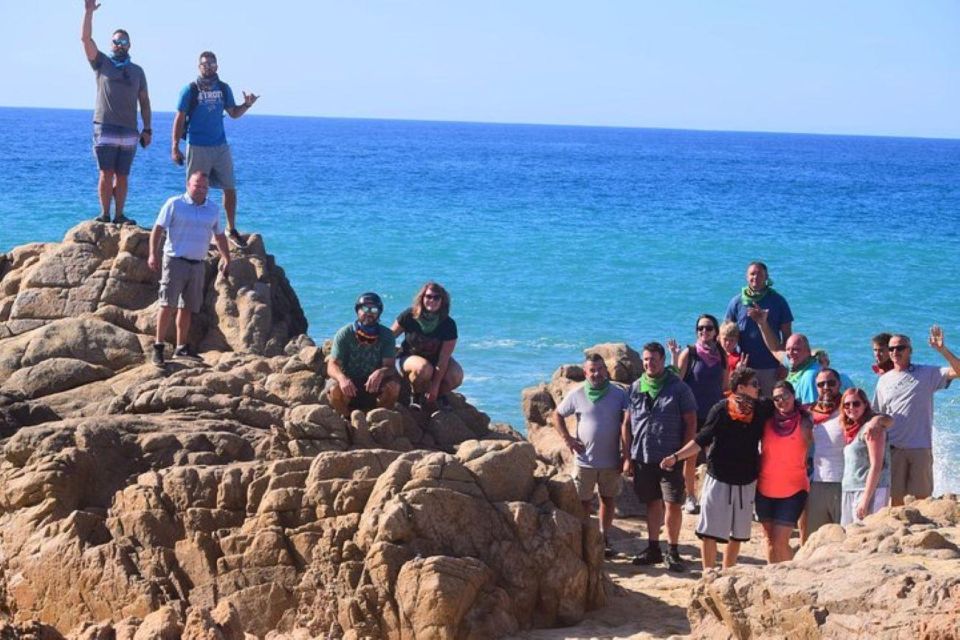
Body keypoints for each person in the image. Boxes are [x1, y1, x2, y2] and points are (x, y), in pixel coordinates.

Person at [661, 367, 771, 570]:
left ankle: (728, 574)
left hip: (746, 480)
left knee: (737, 535)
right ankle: (708, 574)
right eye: (754, 384)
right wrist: (676, 457)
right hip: (718, 478)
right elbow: (701, 440)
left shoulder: (762, 410)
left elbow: (786, 408)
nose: (759, 388)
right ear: (741, 388)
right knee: (709, 532)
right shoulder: (721, 410)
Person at [171, 51, 259, 249]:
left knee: (229, 187)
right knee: (196, 188)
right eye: (204, 64)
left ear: (217, 66)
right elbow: (179, 117)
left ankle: (230, 228)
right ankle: (192, 227)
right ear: (199, 67)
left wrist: (246, 104)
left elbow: (234, 113)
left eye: (212, 64)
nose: (208, 67)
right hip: (197, 145)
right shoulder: (190, 90)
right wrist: (175, 146)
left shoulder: (223, 88)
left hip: (220, 145)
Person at [622, 342, 697, 572]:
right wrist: (627, 456)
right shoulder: (635, 387)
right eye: (645, 359)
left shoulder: (678, 388)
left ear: (663, 360)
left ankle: (672, 551)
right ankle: (653, 547)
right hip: (643, 456)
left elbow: (691, 421)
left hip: (670, 457)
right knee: (651, 503)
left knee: (672, 504)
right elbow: (626, 423)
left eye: (653, 359)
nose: (649, 363)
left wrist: (681, 454)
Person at [148, 172, 230, 366]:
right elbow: (158, 229)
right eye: (197, 185)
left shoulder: (212, 209)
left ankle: (181, 347)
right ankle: (158, 347)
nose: (200, 190)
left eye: (204, 187)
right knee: (167, 304)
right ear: (188, 185)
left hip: (198, 263)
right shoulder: (174, 204)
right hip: (175, 260)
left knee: (188, 308)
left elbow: (219, 235)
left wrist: (227, 257)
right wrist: (152, 254)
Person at [81, 0, 151, 225]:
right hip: (105, 126)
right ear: (111, 44)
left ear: (129, 45)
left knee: (122, 176)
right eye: (116, 41)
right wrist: (89, 12)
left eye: (124, 41)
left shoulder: (138, 71)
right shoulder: (101, 63)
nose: (120, 44)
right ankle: (104, 214)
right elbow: (85, 39)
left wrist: (147, 129)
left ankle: (119, 215)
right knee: (105, 173)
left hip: (130, 130)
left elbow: (145, 101)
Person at [553, 354, 630, 557]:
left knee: (608, 499)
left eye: (599, 369)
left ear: (606, 370)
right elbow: (557, 415)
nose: (596, 374)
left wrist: (627, 454)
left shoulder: (618, 394)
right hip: (584, 460)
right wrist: (568, 439)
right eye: (591, 370)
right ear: (585, 373)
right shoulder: (577, 394)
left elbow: (627, 424)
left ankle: (604, 539)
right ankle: (586, 539)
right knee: (583, 502)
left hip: (611, 459)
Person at [873, 327, 960, 506]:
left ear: (910, 351)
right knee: (895, 503)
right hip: (893, 449)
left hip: (920, 448)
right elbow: (877, 416)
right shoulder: (883, 380)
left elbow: (958, 371)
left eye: (900, 348)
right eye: (891, 349)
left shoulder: (927, 373)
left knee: (923, 502)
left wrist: (942, 349)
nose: (895, 352)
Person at [668, 314, 729, 515]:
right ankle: (690, 497)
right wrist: (674, 357)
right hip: (692, 414)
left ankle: (710, 497)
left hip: (714, 414)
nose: (704, 332)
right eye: (700, 328)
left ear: (715, 332)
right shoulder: (690, 353)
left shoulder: (721, 355)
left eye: (709, 328)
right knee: (691, 456)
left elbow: (725, 386)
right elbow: (677, 381)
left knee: (716, 456)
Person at [756, 381, 812, 563]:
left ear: (793, 395)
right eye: (777, 398)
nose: (781, 401)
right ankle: (772, 580)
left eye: (785, 396)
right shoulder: (766, 422)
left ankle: (792, 577)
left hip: (794, 490)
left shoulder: (805, 422)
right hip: (764, 489)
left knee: (780, 541)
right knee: (770, 541)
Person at [326, 293, 401, 418]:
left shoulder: (386, 335)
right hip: (349, 386)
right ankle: (348, 419)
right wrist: (342, 378)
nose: (369, 313)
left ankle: (377, 418)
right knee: (334, 389)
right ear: (357, 310)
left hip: (373, 386)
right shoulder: (345, 333)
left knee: (394, 387)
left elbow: (390, 367)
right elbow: (332, 364)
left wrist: (381, 372)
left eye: (374, 309)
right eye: (365, 308)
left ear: (379, 313)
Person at [391, 282, 463, 412]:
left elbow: (444, 358)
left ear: (442, 301)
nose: (432, 300)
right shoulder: (409, 315)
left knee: (456, 376)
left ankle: (437, 395)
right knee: (424, 368)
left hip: (436, 360)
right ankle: (416, 396)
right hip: (408, 358)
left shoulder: (448, 324)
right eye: (428, 296)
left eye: (437, 297)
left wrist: (435, 386)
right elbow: (389, 337)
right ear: (422, 298)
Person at [725, 261, 793, 396]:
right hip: (744, 367)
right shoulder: (737, 302)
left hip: (771, 368)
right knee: (745, 409)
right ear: (746, 277)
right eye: (752, 274)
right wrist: (730, 361)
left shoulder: (778, 301)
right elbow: (725, 333)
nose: (755, 277)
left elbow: (787, 335)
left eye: (759, 274)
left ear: (766, 277)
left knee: (768, 407)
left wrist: (783, 365)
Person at [840, 388, 893, 525]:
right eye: (847, 405)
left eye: (856, 404)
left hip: (869, 490)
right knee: (849, 535)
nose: (851, 408)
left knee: (866, 534)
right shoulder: (852, 429)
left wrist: (865, 499)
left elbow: (876, 465)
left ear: (865, 404)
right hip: (850, 488)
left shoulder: (872, 429)